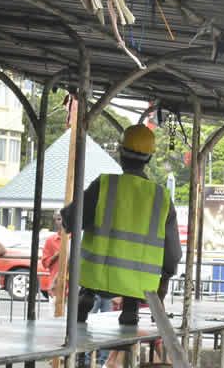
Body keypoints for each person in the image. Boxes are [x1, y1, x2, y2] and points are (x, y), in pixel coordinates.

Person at [62, 124, 180, 325]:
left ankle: (86, 300)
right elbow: (173, 253)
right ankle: (130, 309)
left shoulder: (105, 185)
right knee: (132, 298)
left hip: (95, 278)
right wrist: (166, 276)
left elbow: (73, 220)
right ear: (149, 159)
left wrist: (65, 216)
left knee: (83, 305)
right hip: (139, 286)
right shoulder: (162, 198)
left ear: (120, 154)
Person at [39, 212, 63, 300]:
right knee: (54, 312)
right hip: (55, 285)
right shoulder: (50, 240)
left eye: (61, 219)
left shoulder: (75, 239)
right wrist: (55, 256)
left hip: (72, 286)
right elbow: (45, 263)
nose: (61, 222)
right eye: (58, 219)